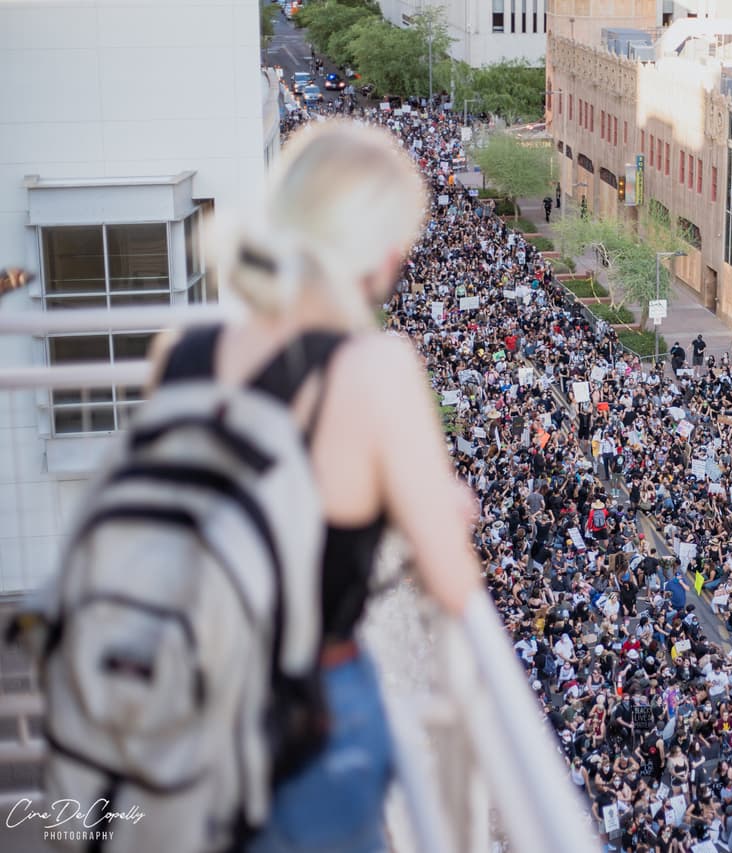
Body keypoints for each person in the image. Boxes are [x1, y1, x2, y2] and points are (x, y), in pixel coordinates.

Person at [149, 121, 484, 851]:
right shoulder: (374, 368)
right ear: (373, 253)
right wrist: (432, 504)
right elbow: (454, 581)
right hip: (315, 709)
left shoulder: (182, 353)